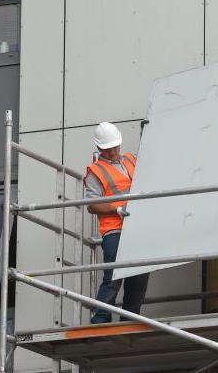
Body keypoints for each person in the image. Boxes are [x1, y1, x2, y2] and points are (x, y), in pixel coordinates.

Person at [85, 122, 149, 324]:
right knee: (113, 276)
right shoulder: (95, 171)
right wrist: (116, 209)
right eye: (109, 148)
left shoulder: (131, 159)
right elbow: (91, 205)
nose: (113, 151)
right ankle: (101, 319)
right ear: (100, 148)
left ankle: (130, 319)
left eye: (115, 146)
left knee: (139, 277)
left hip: (137, 227)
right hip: (114, 230)